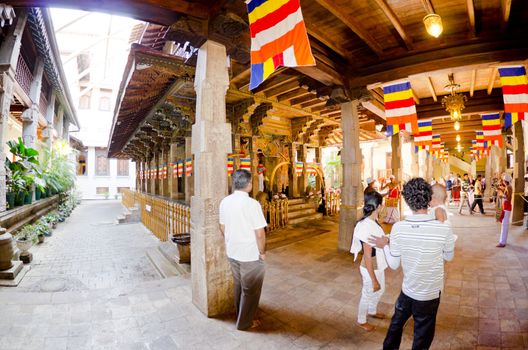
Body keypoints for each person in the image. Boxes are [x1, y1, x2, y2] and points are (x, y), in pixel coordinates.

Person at [369, 177, 456, 350]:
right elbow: (449, 256)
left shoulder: (399, 228)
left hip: (409, 289)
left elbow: (394, 265)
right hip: (430, 293)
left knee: (396, 325)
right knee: (422, 336)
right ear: (428, 198)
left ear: (407, 201)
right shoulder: (443, 227)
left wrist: (385, 245)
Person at [219, 169, 268, 330]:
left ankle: (240, 314)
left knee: (239, 286)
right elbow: (260, 234)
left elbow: (222, 226)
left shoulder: (225, 202)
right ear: (248, 185)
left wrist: (233, 239)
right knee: (251, 291)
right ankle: (245, 322)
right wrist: (262, 252)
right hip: (250, 255)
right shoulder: (252, 204)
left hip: (232, 251)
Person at [350, 191, 388, 332]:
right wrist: (373, 279)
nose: (382, 207)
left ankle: (372, 311)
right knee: (368, 293)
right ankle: (361, 320)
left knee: (381, 289)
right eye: (381, 204)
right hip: (370, 266)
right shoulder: (367, 225)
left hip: (377, 263)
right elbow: (367, 255)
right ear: (377, 206)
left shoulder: (372, 221)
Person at [497, 174, 513, 248]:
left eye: (503, 180)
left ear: (505, 181)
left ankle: (502, 242)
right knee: (504, 224)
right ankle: (503, 241)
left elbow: (509, 198)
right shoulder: (507, 187)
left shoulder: (509, 187)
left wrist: (502, 195)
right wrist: (501, 190)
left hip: (507, 206)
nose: (502, 181)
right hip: (505, 206)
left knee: (504, 225)